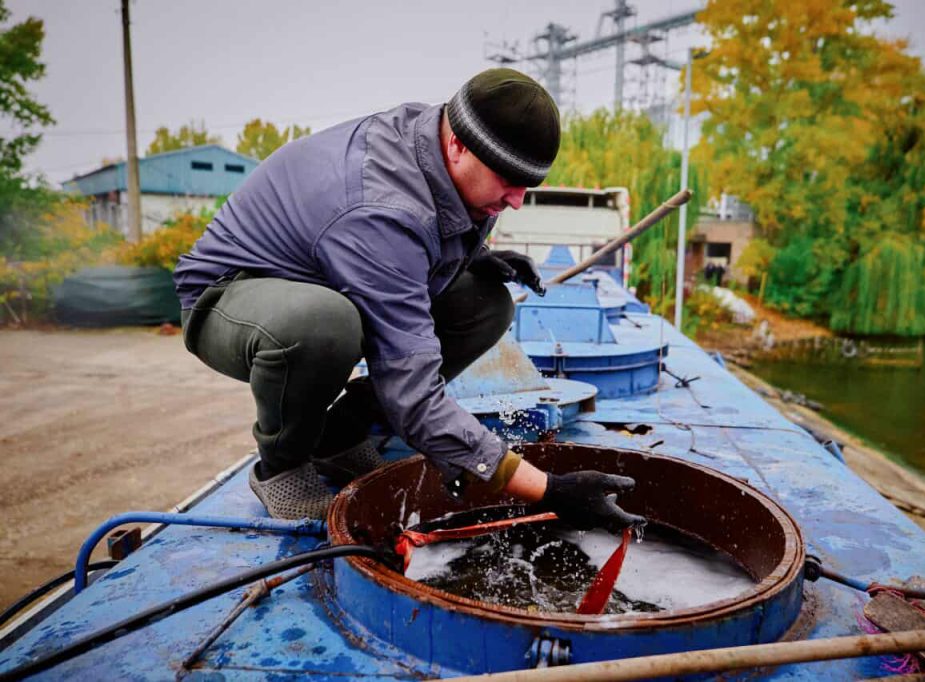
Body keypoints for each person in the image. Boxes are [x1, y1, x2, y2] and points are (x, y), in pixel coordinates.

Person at [173, 68, 644, 533]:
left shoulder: (439, 138)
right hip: (230, 297)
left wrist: (477, 255)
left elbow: (427, 223)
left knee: (488, 303)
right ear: (459, 145)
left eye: (528, 184)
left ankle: (339, 436)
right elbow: (413, 394)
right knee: (321, 327)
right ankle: (282, 465)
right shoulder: (381, 207)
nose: (517, 200)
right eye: (508, 179)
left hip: (325, 272)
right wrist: (549, 489)